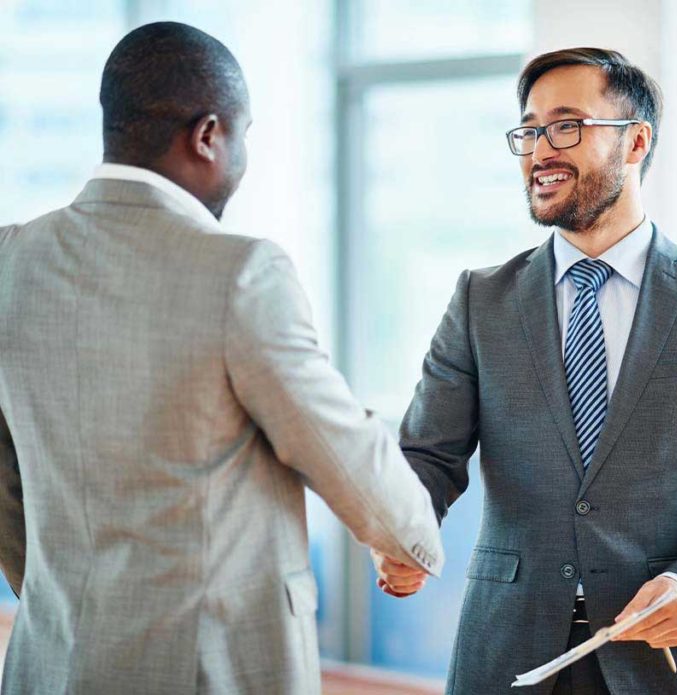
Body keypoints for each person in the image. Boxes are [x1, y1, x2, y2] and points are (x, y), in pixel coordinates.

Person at [0, 22, 443, 694]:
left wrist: (67, 602)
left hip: (50, 660)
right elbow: (335, 440)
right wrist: (411, 542)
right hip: (206, 670)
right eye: (244, 135)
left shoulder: (11, 260)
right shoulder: (239, 272)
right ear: (208, 135)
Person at [373, 47, 677, 694]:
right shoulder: (481, 299)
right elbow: (429, 457)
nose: (540, 149)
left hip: (659, 658)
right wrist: (402, 529)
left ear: (635, 143)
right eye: (530, 129)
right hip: (503, 652)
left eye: (566, 125)